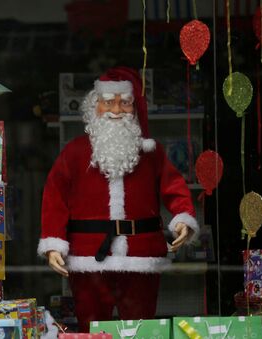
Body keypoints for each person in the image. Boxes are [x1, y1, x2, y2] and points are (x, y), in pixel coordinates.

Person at [37, 67, 199, 332]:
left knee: (140, 329)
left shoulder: (151, 153)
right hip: (89, 255)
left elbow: (174, 186)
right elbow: (54, 198)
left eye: (124, 103)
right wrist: (54, 242)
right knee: (91, 327)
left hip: (141, 254)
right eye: (108, 102)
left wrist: (182, 218)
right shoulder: (75, 152)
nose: (116, 109)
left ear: (134, 109)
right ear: (95, 106)